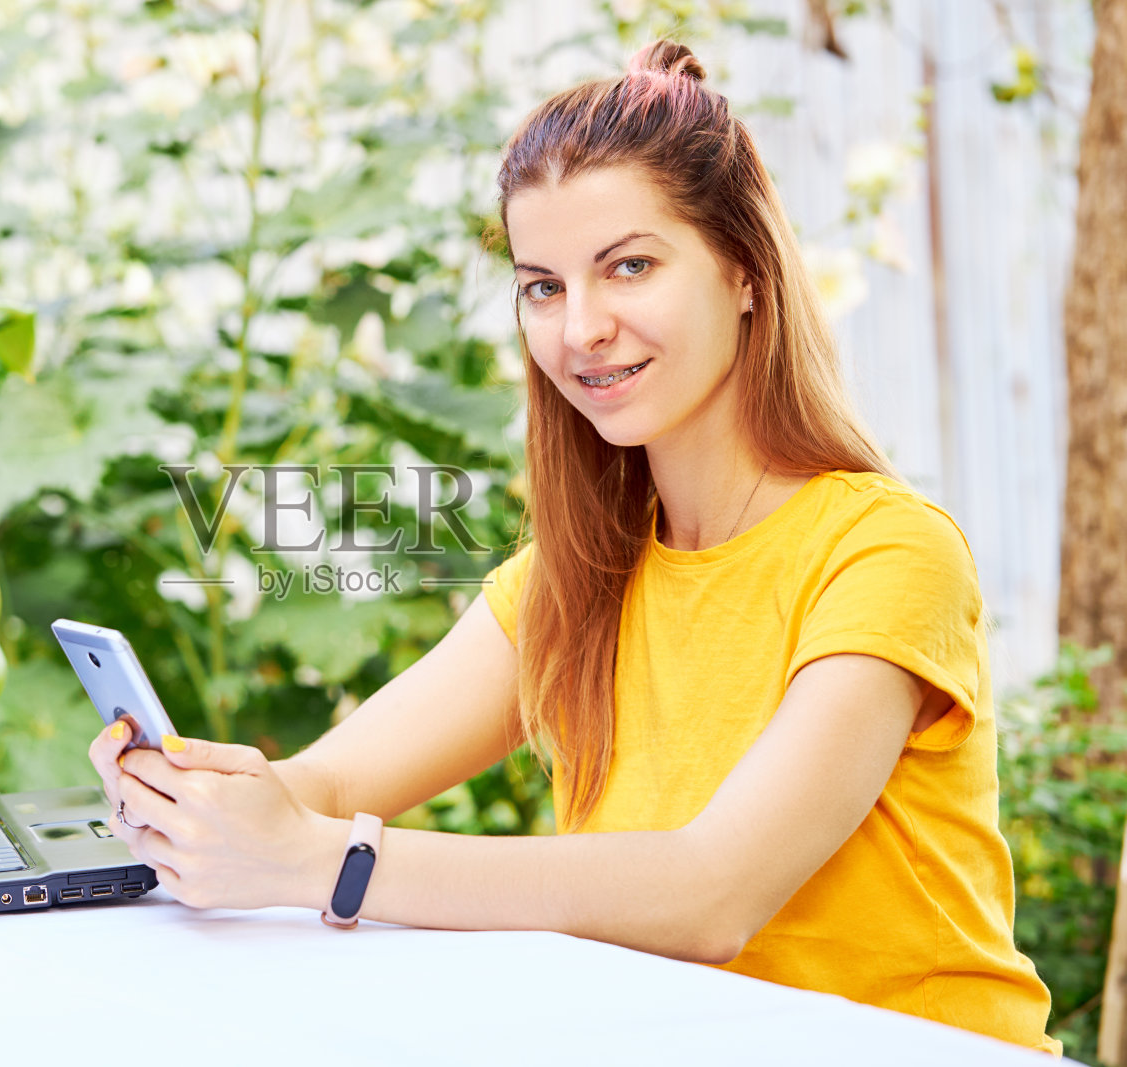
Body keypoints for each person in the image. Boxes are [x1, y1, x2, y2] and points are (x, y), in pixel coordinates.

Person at [87, 39, 1060, 1055]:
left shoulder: (886, 551)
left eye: (628, 266)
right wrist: (190, 797)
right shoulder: (573, 577)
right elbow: (325, 787)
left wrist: (328, 862)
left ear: (742, 272)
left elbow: (710, 894)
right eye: (542, 286)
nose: (580, 327)